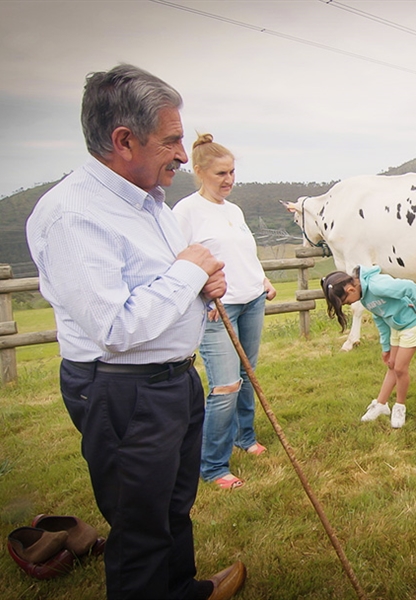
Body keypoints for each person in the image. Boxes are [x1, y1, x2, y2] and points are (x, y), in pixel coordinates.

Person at [26, 64, 245, 599]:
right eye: (171, 140)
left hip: (171, 379)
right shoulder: (72, 215)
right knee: (140, 524)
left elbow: (162, 280)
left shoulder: (149, 200)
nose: (180, 153)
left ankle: (182, 590)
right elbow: (115, 327)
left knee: (173, 504)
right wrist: (191, 271)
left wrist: (199, 286)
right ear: (124, 140)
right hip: (122, 389)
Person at [172, 134, 277, 491]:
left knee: (248, 374)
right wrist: (201, 296)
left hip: (252, 300)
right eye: (221, 173)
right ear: (199, 171)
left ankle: (244, 437)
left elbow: (243, 253)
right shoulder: (185, 212)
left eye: (232, 172)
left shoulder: (234, 210)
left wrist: (262, 280)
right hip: (219, 308)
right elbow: (177, 263)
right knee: (226, 385)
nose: (229, 180)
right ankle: (213, 465)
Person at [321, 265, 416, 428]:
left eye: (345, 302)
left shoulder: (377, 285)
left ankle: (400, 407)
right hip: (396, 326)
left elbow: (409, 287)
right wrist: (385, 347)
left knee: (400, 368)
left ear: (351, 289)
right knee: (392, 365)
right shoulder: (364, 295)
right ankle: (381, 404)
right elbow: (380, 318)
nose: (347, 305)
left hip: (412, 323)